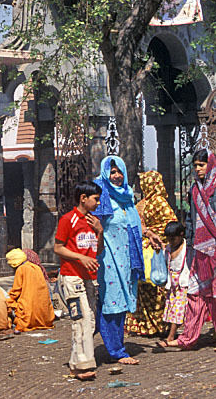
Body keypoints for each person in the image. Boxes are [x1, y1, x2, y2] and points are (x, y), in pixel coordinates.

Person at [158, 149, 216, 351]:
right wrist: (190, 242)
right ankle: (188, 337)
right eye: (195, 166)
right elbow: (190, 218)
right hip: (200, 250)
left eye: (202, 165)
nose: (198, 169)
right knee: (196, 293)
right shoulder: (195, 190)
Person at [93, 156, 146, 365]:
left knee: (122, 302)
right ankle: (116, 350)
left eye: (119, 171)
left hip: (127, 258)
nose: (116, 176)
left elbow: (131, 225)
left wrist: (149, 234)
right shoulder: (101, 194)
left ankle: (115, 345)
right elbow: (94, 224)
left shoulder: (127, 196)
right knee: (111, 302)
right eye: (112, 172)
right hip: (109, 259)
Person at [54, 181, 104, 381]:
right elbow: (58, 248)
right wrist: (80, 258)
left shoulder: (94, 221)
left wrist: (100, 231)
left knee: (90, 321)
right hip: (72, 275)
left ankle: (79, 361)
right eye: (96, 199)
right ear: (83, 198)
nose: (98, 203)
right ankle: (81, 365)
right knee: (80, 319)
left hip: (90, 277)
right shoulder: (68, 220)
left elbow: (98, 250)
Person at [125, 170, 175, 337]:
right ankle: (160, 325)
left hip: (143, 250)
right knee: (158, 287)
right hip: (157, 250)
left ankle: (145, 326)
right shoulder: (160, 202)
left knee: (144, 287)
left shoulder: (142, 204)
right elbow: (170, 226)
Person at [5, 248, 55, 332]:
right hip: (46, 318)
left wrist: (7, 300)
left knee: (8, 301)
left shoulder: (21, 269)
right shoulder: (36, 267)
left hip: (28, 317)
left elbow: (15, 291)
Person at [161, 222, 190, 343]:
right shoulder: (167, 249)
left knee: (178, 309)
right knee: (171, 308)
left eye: (173, 239)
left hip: (183, 283)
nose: (171, 241)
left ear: (181, 235)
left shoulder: (187, 248)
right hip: (172, 284)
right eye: (168, 239)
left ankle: (171, 337)